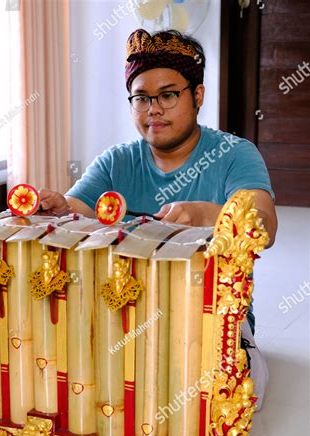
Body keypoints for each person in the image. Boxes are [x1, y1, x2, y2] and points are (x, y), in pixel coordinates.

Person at [38, 29, 278, 410]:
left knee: (218, 394)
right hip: (122, 304)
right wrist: (56, 208)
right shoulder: (117, 160)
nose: (154, 109)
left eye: (168, 95)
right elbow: (76, 207)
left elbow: (265, 226)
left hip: (210, 308)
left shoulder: (236, 154)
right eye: (141, 98)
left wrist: (206, 214)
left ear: (197, 95)